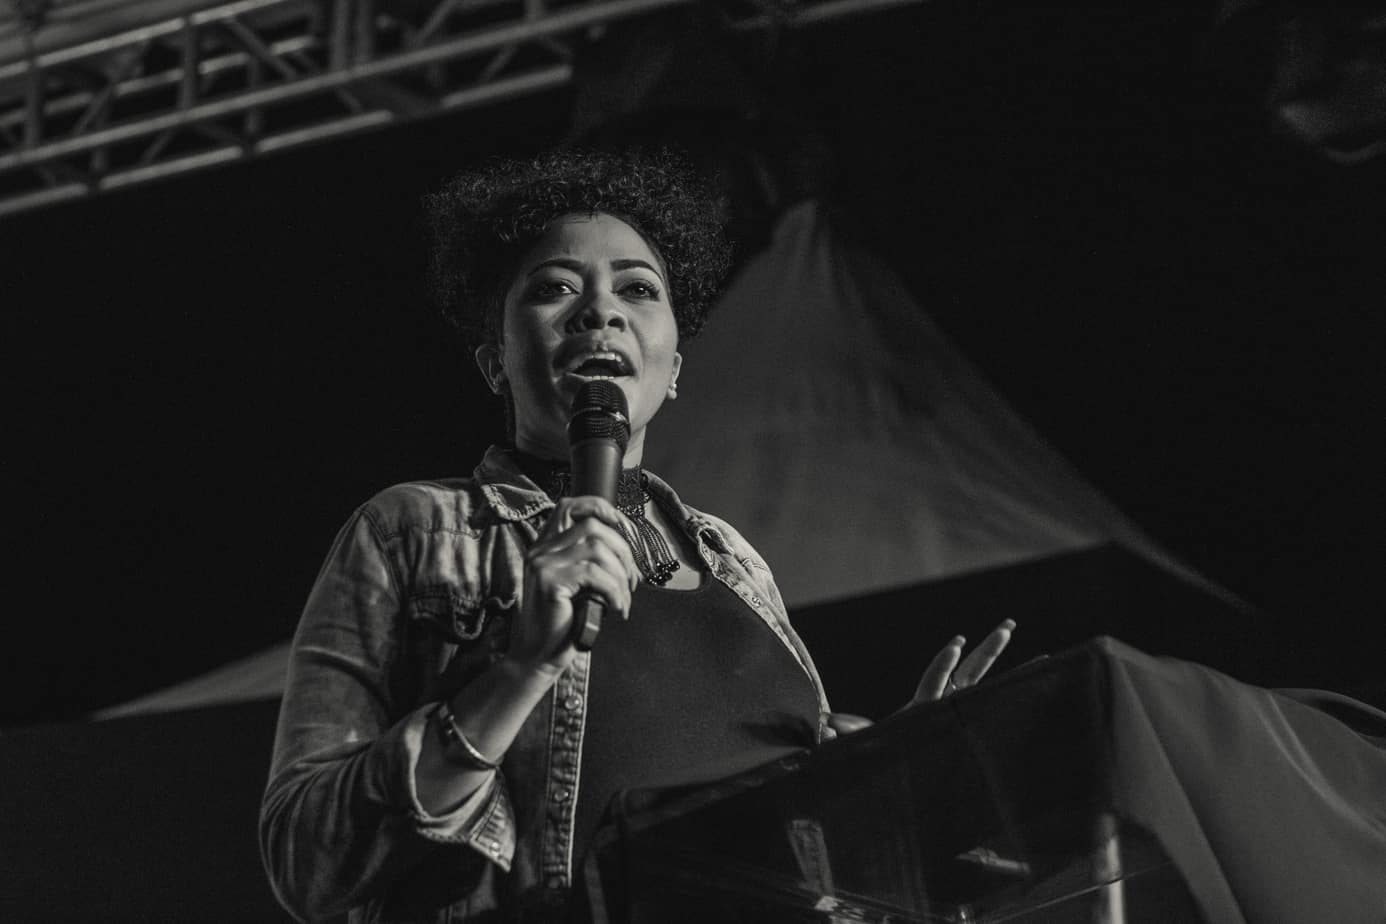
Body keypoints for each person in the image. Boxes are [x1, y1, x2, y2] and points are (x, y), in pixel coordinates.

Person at [258, 148, 1015, 924]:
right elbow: (306, 857)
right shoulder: (411, 532)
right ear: (495, 363)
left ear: (674, 367)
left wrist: (895, 773)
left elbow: (807, 852)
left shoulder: (735, 562)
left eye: (638, 289)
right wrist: (519, 670)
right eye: (555, 288)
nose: (601, 311)